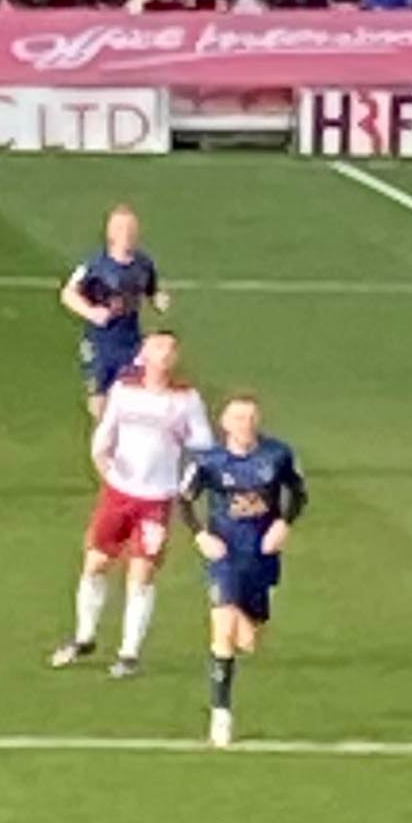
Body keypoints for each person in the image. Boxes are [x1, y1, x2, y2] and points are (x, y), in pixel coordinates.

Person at [54, 328, 210, 680]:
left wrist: (186, 483)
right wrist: (103, 463)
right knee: (96, 562)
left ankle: (129, 652)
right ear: (145, 354)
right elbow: (105, 432)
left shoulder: (186, 399)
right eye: (159, 347)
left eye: (171, 349)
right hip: (119, 493)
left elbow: (203, 447)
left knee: (141, 573)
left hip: (156, 499)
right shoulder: (125, 391)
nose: (165, 354)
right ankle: (84, 637)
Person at [182, 388, 307, 750]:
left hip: (261, 554)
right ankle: (221, 715)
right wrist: (201, 535)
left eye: (251, 418)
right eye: (238, 418)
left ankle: (245, 630)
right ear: (224, 423)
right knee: (222, 628)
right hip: (225, 553)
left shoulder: (277, 454)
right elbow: (184, 500)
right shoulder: (208, 462)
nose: (245, 424)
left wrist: (283, 524)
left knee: (247, 641)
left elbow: (298, 493)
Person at [59, 204, 166, 414]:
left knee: (137, 392)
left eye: (130, 229)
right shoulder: (95, 265)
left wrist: (158, 299)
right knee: (100, 398)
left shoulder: (144, 264)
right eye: (120, 229)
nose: (126, 234)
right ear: (110, 233)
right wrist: (91, 312)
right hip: (100, 343)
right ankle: (102, 433)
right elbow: (68, 293)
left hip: (132, 341)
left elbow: (152, 290)